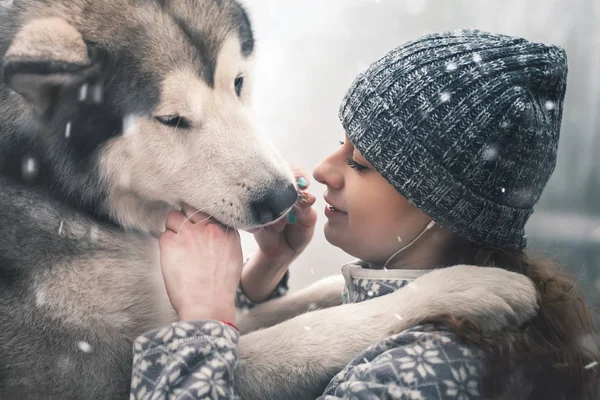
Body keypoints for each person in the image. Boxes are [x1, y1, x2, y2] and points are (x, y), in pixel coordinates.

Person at [130, 30, 600, 399]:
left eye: (361, 164)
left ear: (440, 206)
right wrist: (266, 269)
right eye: (342, 144)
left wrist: (202, 321)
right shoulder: (431, 325)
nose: (323, 170)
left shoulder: (417, 376)